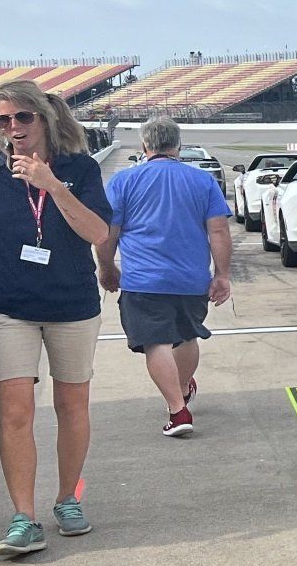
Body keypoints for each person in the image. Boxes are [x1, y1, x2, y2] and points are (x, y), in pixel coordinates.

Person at [0, 81, 112, 558]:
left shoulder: (79, 169)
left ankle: (68, 500)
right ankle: (24, 516)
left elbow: (98, 231)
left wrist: (51, 185)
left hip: (71, 304)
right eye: (3, 120)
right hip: (9, 307)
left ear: (43, 119)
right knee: (16, 410)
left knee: (71, 406)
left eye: (23, 117)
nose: (13, 128)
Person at [99, 117, 234, 437]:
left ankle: (178, 409)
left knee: (155, 342)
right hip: (191, 280)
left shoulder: (123, 181)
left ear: (144, 146)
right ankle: (184, 387)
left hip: (144, 280)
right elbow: (219, 230)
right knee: (187, 335)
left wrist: (106, 267)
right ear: (179, 146)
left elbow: (107, 233)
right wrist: (222, 275)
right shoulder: (203, 181)